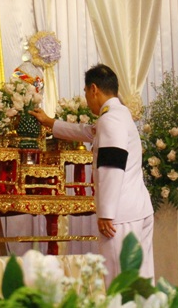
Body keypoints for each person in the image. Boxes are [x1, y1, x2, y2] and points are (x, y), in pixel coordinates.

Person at [30, 64, 154, 283]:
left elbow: (112, 166)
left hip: (120, 216)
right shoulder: (119, 114)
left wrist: (106, 212)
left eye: (86, 91)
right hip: (136, 209)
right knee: (140, 281)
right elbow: (87, 132)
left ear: (94, 89)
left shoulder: (111, 119)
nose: (86, 99)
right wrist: (50, 123)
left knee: (119, 282)